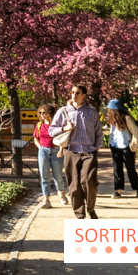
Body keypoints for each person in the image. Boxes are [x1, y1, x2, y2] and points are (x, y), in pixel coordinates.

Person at [49, 85, 102, 219]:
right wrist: (64, 128)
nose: (74, 95)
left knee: (89, 181)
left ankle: (90, 208)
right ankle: (80, 216)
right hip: (71, 151)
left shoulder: (91, 112)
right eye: (72, 92)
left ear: (84, 95)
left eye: (77, 93)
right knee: (74, 186)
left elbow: (98, 132)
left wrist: (96, 147)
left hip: (88, 152)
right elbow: (51, 130)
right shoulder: (63, 111)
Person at [33, 104, 69, 208]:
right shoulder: (39, 125)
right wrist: (40, 148)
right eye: (40, 113)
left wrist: (61, 150)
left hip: (56, 151)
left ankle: (61, 194)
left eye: (44, 112)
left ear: (50, 113)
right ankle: (46, 199)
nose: (42, 115)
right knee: (44, 176)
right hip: (43, 151)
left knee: (57, 175)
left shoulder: (56, 125)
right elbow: (36, 138)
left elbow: (63, 138)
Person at [106, 99, 138, 198]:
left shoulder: (127, 119)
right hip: (115, 147)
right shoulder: (112, 120)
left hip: (126, 147)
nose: (108, 111)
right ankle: (117, 190)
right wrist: (110, 143)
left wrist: (133, 147)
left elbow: (136, 133)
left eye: (110, 109)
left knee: (130, 169)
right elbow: (113, 132)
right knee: (117, 169)